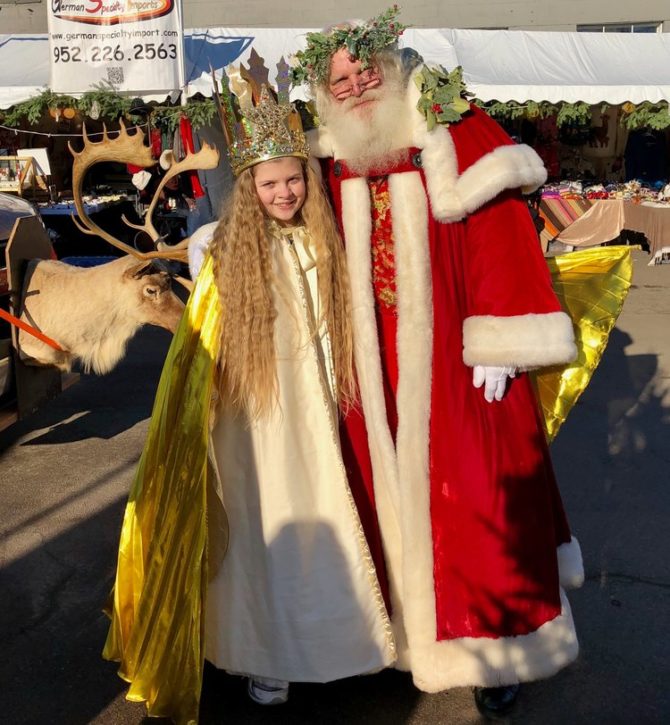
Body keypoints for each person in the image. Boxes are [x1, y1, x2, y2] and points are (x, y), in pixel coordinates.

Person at [291, 7, 584, 716]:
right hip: (367, 366)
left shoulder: (452, 130)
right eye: (342, 78)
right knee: (371, 498)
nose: (357, 87)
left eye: (366, 72)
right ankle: (395, 642)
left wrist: (503, 338)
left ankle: (498, 650)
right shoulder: (326, 158)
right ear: (326, 90)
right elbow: (276, 220)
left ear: (392, 71)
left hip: (456, 357)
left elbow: (503, 233)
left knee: (480, 503)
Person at [103, 71, 395, 722]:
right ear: (250, 188)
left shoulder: (327, 240)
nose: (285, 191)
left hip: (317, 411)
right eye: (270, 183)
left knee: (328, 525)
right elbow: (202, 345)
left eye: (293, 179)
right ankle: (266, 656)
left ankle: (334, 644)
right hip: (253, 418)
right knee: (262, 536)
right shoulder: (221, 248)